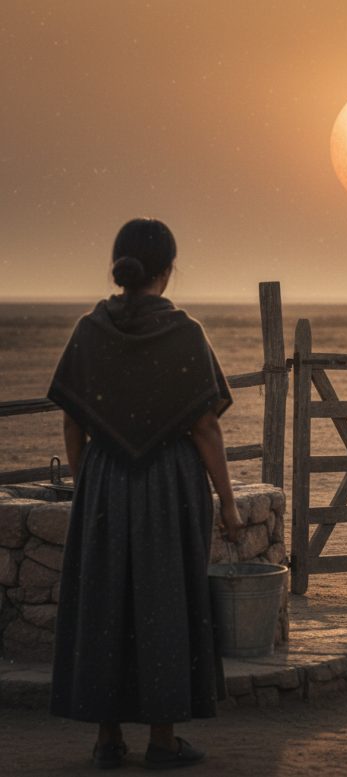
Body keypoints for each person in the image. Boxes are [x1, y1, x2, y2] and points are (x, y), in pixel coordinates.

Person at [47, 218, 245, 770]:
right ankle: (162, 740)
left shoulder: (90, 328)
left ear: (120, 264)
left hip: (106, 482)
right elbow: (205, 428)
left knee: (104, 603)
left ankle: (107, 739)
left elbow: (72, 422)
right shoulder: (185, 333)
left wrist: (91, 478)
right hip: (170, 485)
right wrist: (227, 502)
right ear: (167, 269)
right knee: (167, 604)